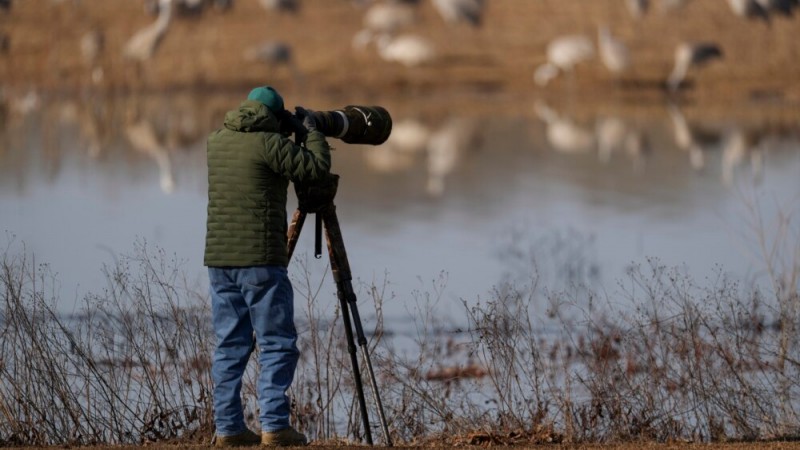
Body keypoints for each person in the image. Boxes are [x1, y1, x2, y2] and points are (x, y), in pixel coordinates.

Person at [204, 86, 331, 447]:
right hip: (260, 260)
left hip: (219, 262)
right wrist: (309, 132)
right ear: (275, 119)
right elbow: (317, 169)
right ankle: (274, 425)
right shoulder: (269, 144)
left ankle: (228, 429)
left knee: (230, 345)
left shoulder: (216, 141)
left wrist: (285, 127)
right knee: (277, 341)